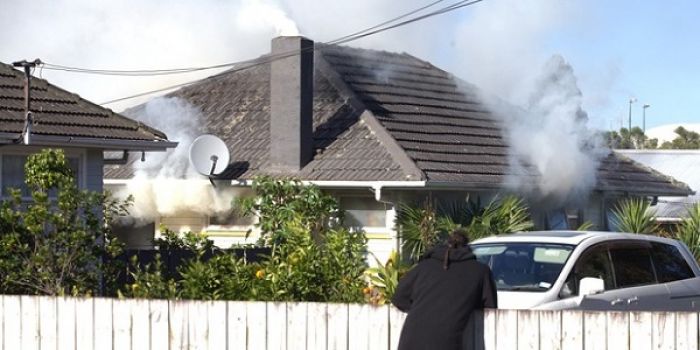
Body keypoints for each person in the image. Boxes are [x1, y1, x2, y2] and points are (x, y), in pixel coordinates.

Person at [391, 230, 497, 350]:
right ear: (467, 247)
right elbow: (489, 308)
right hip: (446, 342)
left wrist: (426, 307)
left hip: (410, 341)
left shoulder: (423, 267)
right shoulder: (480, 271)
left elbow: (399, 299)